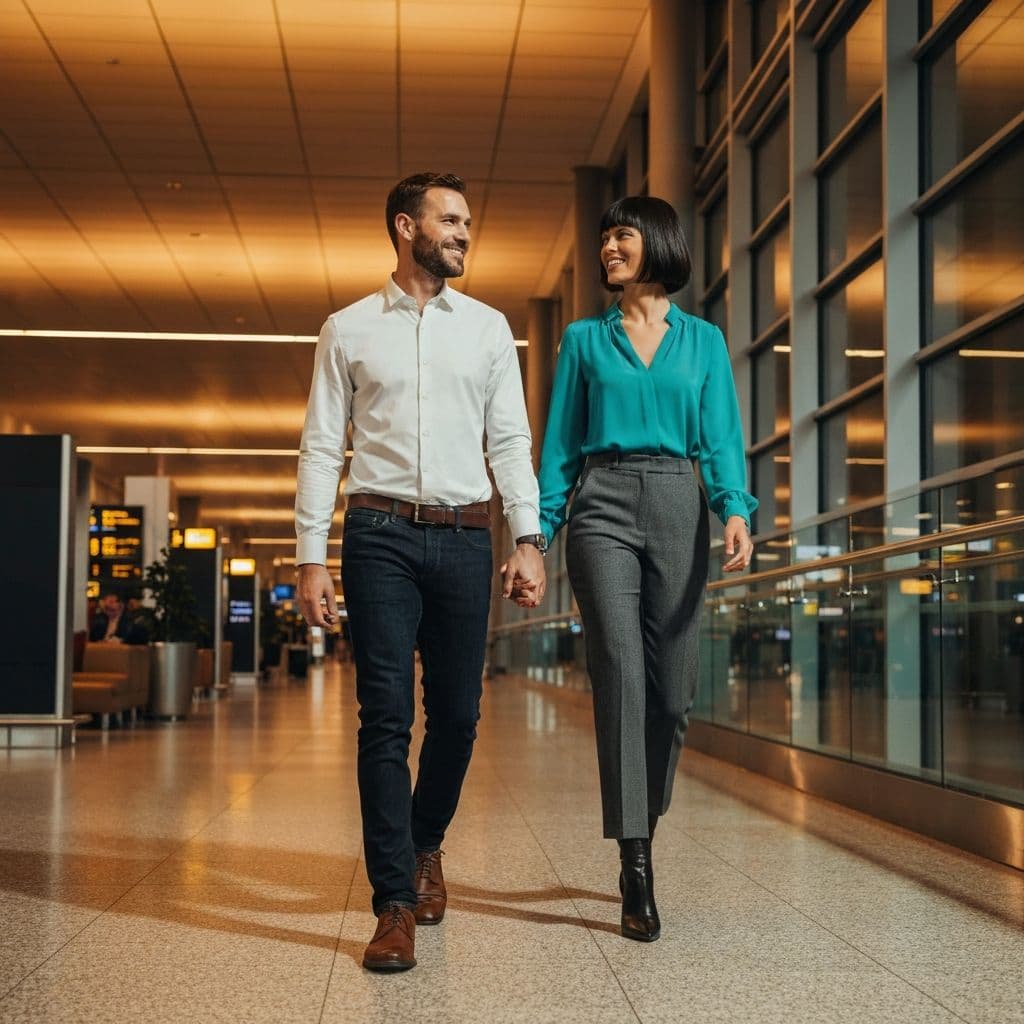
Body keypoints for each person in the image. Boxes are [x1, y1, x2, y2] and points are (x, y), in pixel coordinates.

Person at [295, 172, 546, 973]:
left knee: (461, 717)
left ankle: (426, 840)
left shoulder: (487, 329)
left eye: (469, 221)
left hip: (468, 537)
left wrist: (530, 537)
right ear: (406, 227)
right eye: (450, 220)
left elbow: (509, 441)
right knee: (384, 718)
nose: (465, 233)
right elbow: (320, 447)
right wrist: (309, 554)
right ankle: (394, 901)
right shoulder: (347, 329)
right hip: (377, 534)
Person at [535, 195, 756, 943]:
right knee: (622, 673)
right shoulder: (583, 341)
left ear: (656, 241)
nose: (609, 249)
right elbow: (560, 447)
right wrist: (539, 532)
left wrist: (734, 508)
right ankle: (636, 863)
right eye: (603, 240)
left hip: (676, 500)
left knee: (673, 694)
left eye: (621, 235)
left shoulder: (704, 343)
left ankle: (644, 818)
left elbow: (722, 435)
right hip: (602, 501)